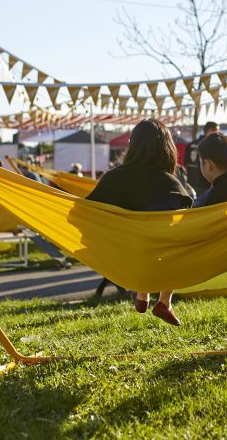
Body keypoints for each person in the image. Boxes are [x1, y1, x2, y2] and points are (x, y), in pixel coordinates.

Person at [86, 118, 192, 325]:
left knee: (145, 244)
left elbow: (84, 213)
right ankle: (164, 301)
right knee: (174, 246)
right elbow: (182, 223)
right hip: (161, 257)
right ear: (167, 149)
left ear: (132, 146)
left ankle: (142, 295)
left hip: (122, 255)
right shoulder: (170, 183)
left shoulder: (113, 179)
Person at [185, 121, 219, 195]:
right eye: (217, 131)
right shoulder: (209, 146)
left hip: (190, 183)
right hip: (204, 184)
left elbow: (185, 164)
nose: (218, 134)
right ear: (212, 130)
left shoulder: (190, 144)